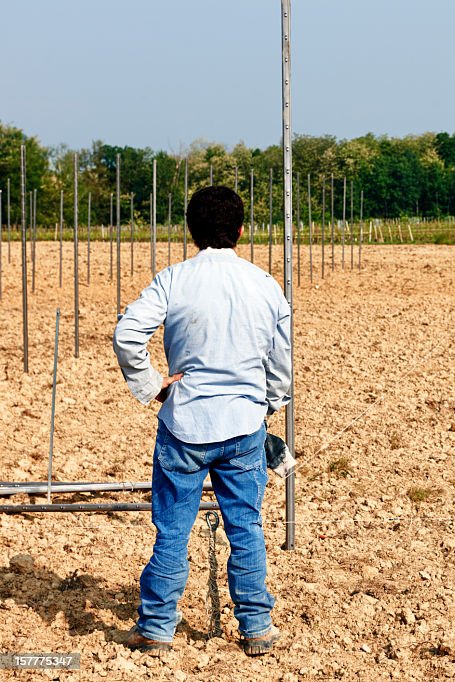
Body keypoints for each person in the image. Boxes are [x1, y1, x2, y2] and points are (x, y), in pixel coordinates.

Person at [114, 186, 292, 656]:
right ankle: (256, 628)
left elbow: (127, 333)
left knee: (172, 530)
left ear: (190, 231)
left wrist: (154, 384)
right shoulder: (266, 285)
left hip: (183, 426)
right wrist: (266, 405)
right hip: (243, 427)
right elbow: (281, 366)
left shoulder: (173, 280)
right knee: (246, 527)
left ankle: (155, 630)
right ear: (239, 231)